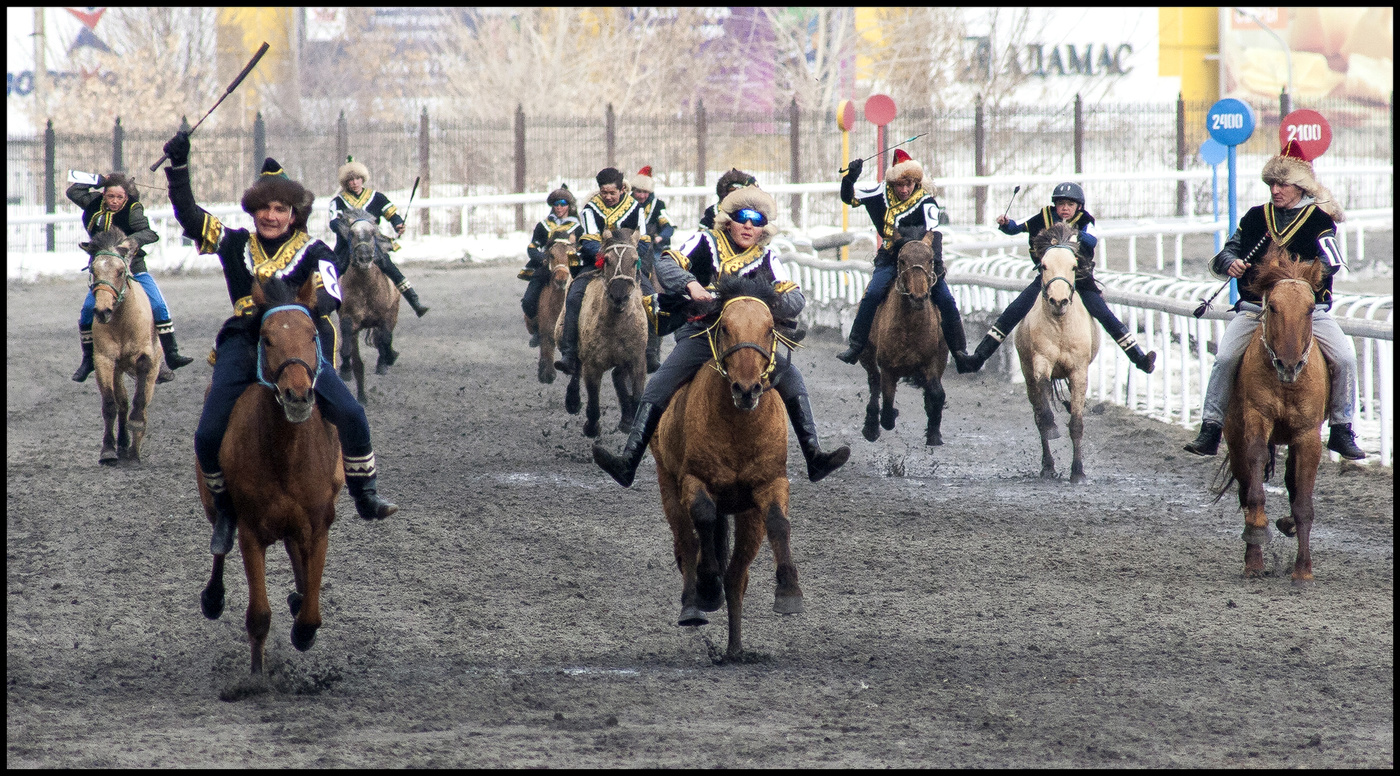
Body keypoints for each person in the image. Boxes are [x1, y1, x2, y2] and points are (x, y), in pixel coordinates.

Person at [160, 131, 399, 556]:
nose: (272, 215)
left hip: (300, 345)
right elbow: (191, 217)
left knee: (351, 412)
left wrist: (297, 309)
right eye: (265, 208)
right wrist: (179, 170)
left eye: (281, 208)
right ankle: (226, 511)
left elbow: (332, 293)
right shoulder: (235, 242)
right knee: (209, 430)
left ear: (293, 213)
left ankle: (366, 493)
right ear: (253, 211)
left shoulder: (314, 249)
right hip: (244, 341)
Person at [592, 185, 850, 487]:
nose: (749, 225)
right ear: (729, 221)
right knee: (660, 382)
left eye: (757, 221)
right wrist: (691, 285)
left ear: (764, 229)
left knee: (792, 375)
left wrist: (767, 303)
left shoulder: (768, 258)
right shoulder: (705, 241)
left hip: (748, 342)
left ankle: (814, 456)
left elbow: (796, 297)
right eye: (743, 217)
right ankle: (629, 461)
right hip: (702, 334)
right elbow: (665, 263)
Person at [1183, 142, 1364, 460]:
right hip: (1256, 310)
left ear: (1300, 187)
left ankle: (1341, 427)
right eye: (1272, 184)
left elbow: (1333, 259)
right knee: (1225, 358)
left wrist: (1312, 270)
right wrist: (1231, 263)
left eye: (1283, 184)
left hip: (1309, 312)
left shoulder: (1319, 220)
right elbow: (1228, 252)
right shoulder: (1255, 218)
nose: (1276, 190)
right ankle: (1211, 426)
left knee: (1346, 358)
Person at [955, 182, 1158, 374]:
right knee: (1014, 311)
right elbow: (1017, 229)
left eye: (1070, 204)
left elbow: (1092, 239)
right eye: (1061, 204)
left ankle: (1140, 359)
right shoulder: (1044, 216)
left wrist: (1074, 233)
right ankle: (978, 358)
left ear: (1079, 207)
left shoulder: (1086, 221)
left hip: (1080, 280)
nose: (1065, 208)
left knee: (1105, 315)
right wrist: (1006, 224)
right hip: (1049, 278)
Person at [835, 150, 970, 366]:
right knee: (873, 294)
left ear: (916, 182)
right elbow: (848, 198)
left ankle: (960, 352)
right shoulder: (879, 193)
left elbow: (934, 236)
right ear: (892, 183)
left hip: (923, 262)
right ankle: (856, 345)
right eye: (900, 185)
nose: (905, 189)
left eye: (909, 184)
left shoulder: (927, 203)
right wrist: (850, 178)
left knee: (945, 298)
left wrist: (936, 267)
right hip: (890, 257)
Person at [67, 172, 193, 383]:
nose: (114, 202)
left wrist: (130, 242)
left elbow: (149, 233)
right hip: (105, 272)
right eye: (110, 196)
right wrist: (99, 179)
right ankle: (88, 360)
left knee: (159, 305)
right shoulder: (92, 202)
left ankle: (171, 355)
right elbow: (73, 191)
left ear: (126, 197)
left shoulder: (134, 210)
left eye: (119, 198)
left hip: (133, 268)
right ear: (104, 195)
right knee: (88, 311)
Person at [553, 167, 657, 377]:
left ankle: (651, 352)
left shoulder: (635, 208)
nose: (608, 197)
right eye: (604, 192)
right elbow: (590, 239)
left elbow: (643, 239)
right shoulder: (591, 209)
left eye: (612, 193)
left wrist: (630, 256)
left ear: (622, 190)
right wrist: (604, 257)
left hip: (628, 263)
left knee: (652, 298)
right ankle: (569, 353)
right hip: (598, 261)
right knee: (574, 297)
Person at [328, 157, 429, 317]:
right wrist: (346, 228)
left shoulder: (377, 197)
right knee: (332, 273)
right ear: (345, 183)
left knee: (391, 269)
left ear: (362, 179)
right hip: (347, 246)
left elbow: (392, 214)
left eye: (357, 179)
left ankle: (415, 301)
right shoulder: (338, 202)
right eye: (350, 180)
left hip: (372, 244)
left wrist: (398, 224)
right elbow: (333, 223)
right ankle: (323, 309)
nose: (354, 182)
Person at [519, 185, 584, 347]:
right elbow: (532, 247)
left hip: (571, 268)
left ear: (569, 205)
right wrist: (543, 258)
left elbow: (583, 249)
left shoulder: (578, 228)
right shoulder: (543, 226)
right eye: (556, 204)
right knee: (528, 300)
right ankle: (537, 330)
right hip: (547, 268)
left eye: (563, 203)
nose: (559, 207)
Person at [630, 165, 674, 371]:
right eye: (638, 191)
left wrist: (660, 236)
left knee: (661, 280)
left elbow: (667, 226)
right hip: (631, 248)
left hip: (653, 249)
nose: (640, 195)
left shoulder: (658, 205)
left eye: (644, 192)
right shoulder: (627, 204)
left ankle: (654, 350)